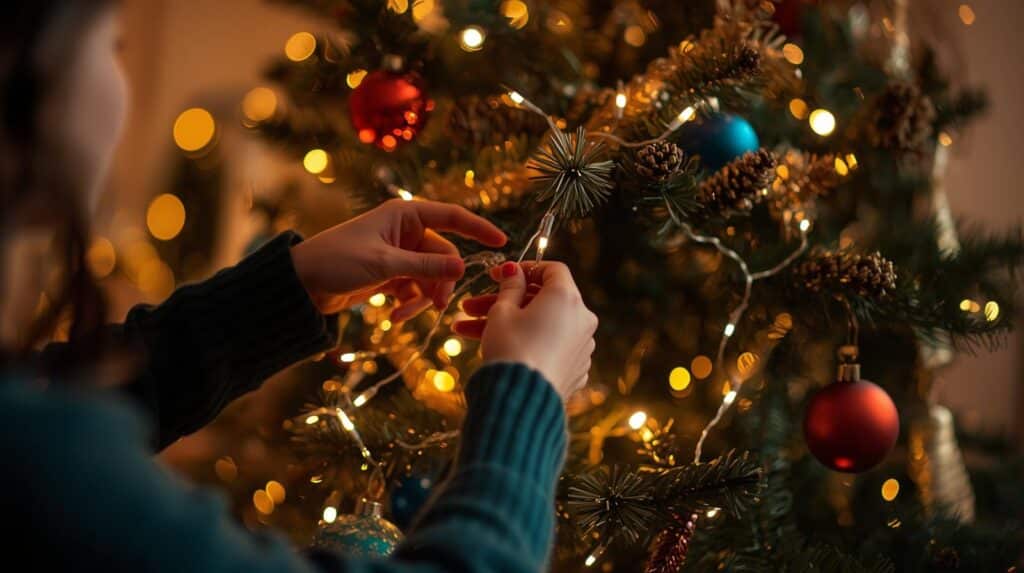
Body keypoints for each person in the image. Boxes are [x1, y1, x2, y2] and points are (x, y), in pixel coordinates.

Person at [0, 2, 598, 572]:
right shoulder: (40, 453)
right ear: (26, 72)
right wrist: (530, 389)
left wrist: (291, 288)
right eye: (112, 46)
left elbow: (79, 390)